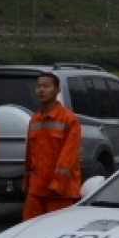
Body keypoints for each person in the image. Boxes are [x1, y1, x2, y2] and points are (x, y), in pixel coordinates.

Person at [22, 72, 81, 220]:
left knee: (55, 230)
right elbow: (30, 154)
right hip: (36, 189)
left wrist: (57, 184)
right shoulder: (35, 119)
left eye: (46, 86)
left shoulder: (68, 119)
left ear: (57, 90)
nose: (41, 90)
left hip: (59, 191)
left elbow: (68, 156)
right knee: (28, 229)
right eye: (38, 86)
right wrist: (27, 183)